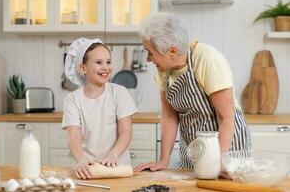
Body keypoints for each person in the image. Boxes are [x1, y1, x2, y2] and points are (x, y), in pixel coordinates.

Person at [134, 13, 251, 177]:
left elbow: (225, 118)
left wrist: (219, 161)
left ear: (172, 51)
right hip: (194, 147)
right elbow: (169, 116)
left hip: (226, 147)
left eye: (150, 52)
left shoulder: (207, 59)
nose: (148, 59)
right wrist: (163, 160)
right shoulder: (163, 71)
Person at [62, 38, 137, 179]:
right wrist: (81, 160)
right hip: (88, 169)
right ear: (83, 68)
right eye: (98, 62)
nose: (105, 67)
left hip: (117, 168)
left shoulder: (119, 93)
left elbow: (126, 132)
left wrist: (113, 155)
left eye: (108, 62)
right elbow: (74, 136)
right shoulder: (73, 99)